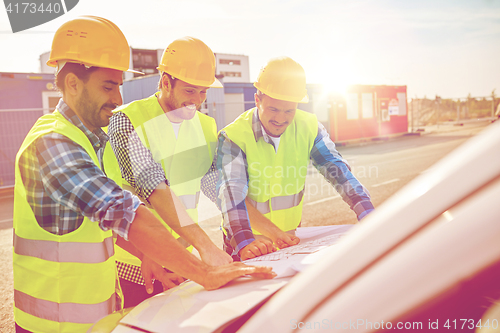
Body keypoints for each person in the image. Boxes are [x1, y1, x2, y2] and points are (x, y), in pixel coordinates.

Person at [12, 16, 274, 333]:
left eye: (119, 86)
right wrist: (202, 268)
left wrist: (152, 254)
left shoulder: (91, 138)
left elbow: (92, 223)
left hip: (109, 304)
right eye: (108, 86)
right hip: (51, 324)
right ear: (72, 84)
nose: (118, 100)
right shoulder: (53, 144)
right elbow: (128, 209)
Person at [105, 36, 232, 307]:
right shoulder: (126, 119)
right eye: (189, 91)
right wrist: (204, 246)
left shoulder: (207, 126)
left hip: (183, 257)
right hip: (138, 259)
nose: (196, 101)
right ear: (165, 82)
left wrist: (249, 231)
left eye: (203, 92)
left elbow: (218, 188)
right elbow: (152, 188)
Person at [216, 56, 375, 261]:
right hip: (246, 244)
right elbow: (231, 193)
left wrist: (366, 211)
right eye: (273, 109)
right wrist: (245, 243)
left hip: (288, 241)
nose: (280, 119)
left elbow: (337, 171)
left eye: (289, 110)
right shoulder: (234, 136)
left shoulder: (309, 127)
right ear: (258, 99)